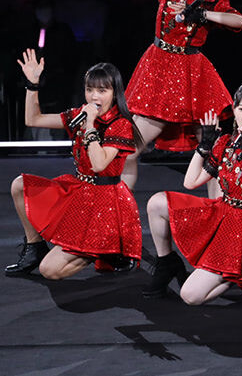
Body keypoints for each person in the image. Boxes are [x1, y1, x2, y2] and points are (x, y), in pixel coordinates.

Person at [142, 82, 242, 303]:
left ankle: (240, 274)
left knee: (190, 296)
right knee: (157, 202)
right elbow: (190, 182)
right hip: (224, 215)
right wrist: (204, 146)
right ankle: (167, 262)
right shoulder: (226, 142)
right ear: (234, 110)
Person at [124, 0, 242, 195]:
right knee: (127, 148)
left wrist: (204, 15)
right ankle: (119, 207)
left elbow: (239, 21)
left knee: (211, 150)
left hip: (194, 77)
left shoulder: (214, 0)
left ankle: (219, 210)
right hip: (158, 71)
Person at [6, 50, 143, 278]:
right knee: (19, 185)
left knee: (49, 271)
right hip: (79, 190)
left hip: (106, 202)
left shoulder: (120, 124)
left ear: (114, 93)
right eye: (90, 90)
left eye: (102, 90)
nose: (94, 96)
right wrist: (32, 85)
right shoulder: (81, 114)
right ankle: (34, 247)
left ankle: (102, 249)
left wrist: (90, 125)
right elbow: (33, 119)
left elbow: (99, 164)